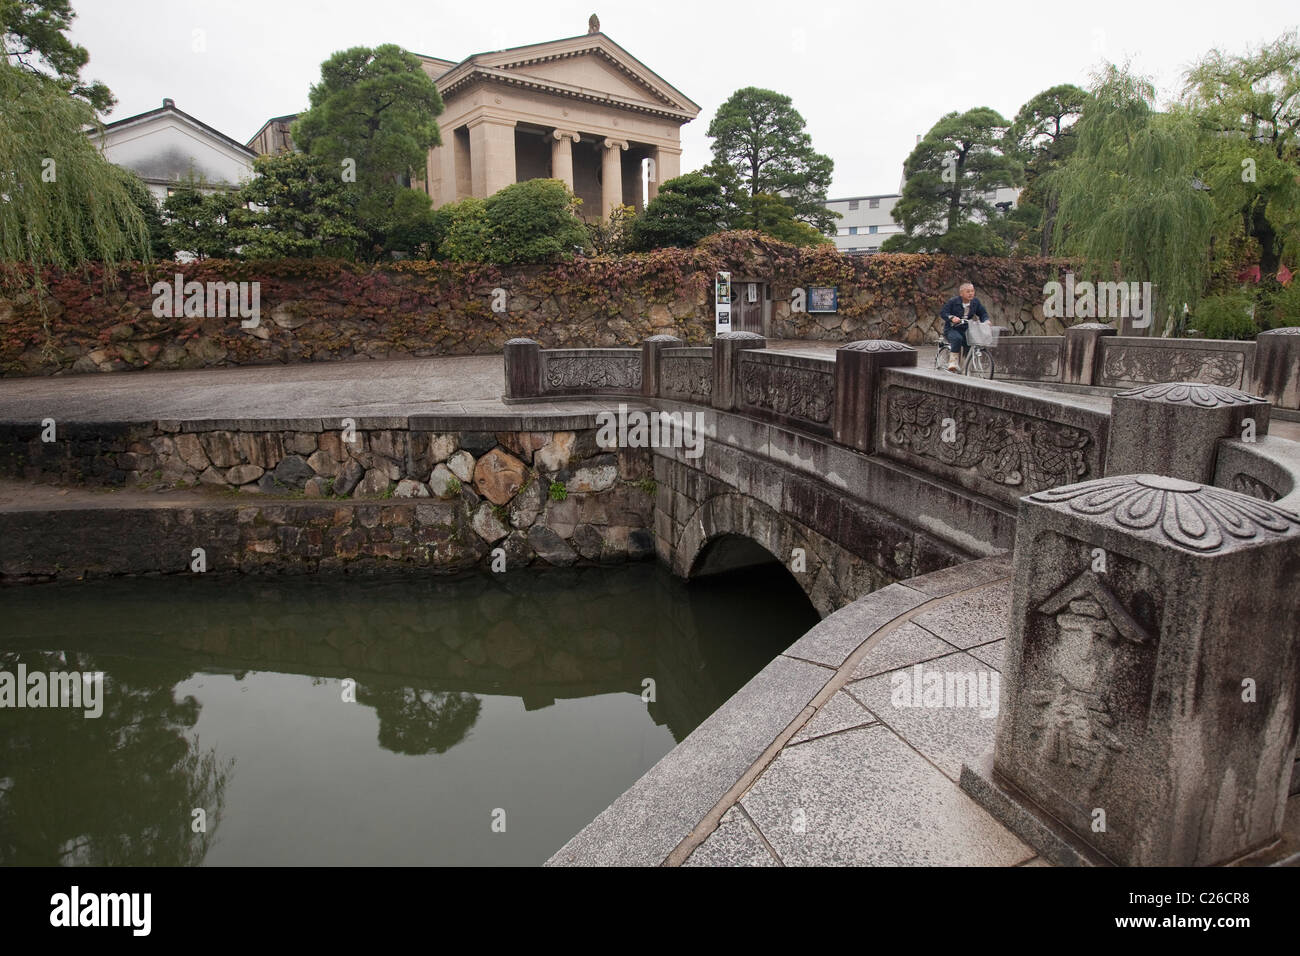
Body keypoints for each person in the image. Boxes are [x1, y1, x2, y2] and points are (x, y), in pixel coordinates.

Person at [940, 282, 990, 372]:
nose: (971, 293)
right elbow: (943, 313)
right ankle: (953, 362)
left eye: (972, 291)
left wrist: (986, 320)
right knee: (957, 338)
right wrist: (951, 317)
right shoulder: (953, 301)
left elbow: (982, 313)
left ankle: (966, 364)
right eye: (968, 291)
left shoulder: (975, 302)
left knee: (972, 341)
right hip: (952, 328)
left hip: (966, 328)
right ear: (961, 293)